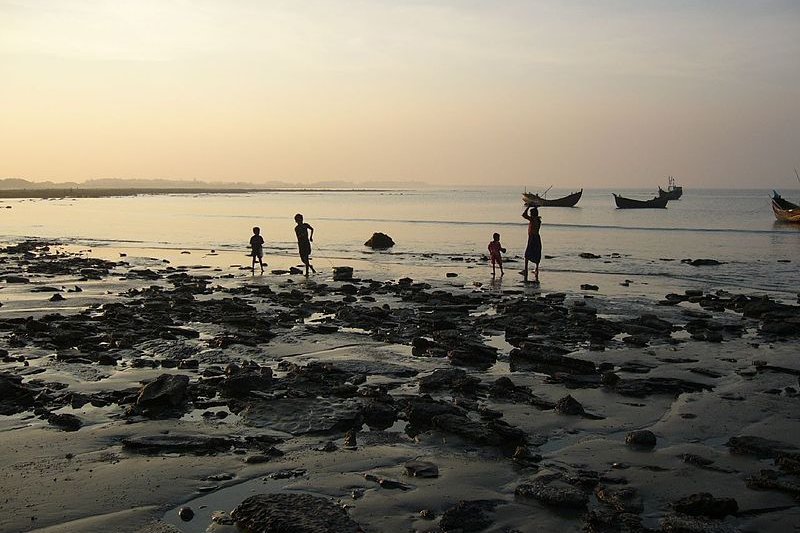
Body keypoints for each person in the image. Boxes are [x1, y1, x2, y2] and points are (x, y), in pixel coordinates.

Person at [522, 206, 542, 282]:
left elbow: (524, 215)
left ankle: (526, 269)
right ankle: (536, 269)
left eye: (530, 213)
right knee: (536, 253)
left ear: (532, 214)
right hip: (536, 237)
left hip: (532, 238)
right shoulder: (538, 220)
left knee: (527, 254)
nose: (529, 214)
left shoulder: (533, 219)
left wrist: (528, 207)